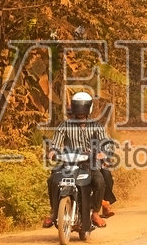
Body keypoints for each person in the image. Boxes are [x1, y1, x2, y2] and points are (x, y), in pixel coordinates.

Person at [43, 91, 117, 229]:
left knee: (100, 182)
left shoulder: (96, 126)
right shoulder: (65, 125)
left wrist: (103, 153)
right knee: (52, 180)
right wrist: (52, 151)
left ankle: (95, 212)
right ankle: (54, 213)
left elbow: (106, 143)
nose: (81, 112)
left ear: (88, 109)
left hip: (89, 163)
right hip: (68, 162)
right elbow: (55, 142)